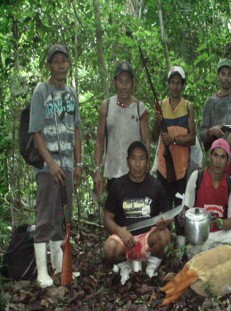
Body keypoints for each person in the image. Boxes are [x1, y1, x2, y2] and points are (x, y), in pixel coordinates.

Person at [29, 44, 82, 288]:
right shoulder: (41, 90)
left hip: (68, 164)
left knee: (62, 217)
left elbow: (77, 130)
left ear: (69, 64)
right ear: (49, 65)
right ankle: (42, 272)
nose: (60, 65)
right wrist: (50, 163)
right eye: (56, 61)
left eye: (64, 61)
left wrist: (78, 163)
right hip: (48, 167)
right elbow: (36, 132)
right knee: (45, 217)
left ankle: (60, 267)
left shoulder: (71, 94)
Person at [103, 141, 171, 277]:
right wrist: (120, 232)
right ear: (127, 161)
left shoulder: (156, 186)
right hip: (125, 238)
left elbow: (166, 215)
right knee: (109, 248)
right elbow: (107, 218)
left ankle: (150, 265)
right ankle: (125, 266)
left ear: (147, 161)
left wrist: (164, 222)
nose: (138, 164)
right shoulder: (118, 185)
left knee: (165, 236)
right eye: (134, 159)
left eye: (141, 159)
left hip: (147, 239)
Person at [182, 138, 231, 258]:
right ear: (210, 157)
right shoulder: (197, 177)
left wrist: (219, 222)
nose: (218, 161)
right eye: (215, 155)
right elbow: (185, 209)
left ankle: (214, 257)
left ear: (228, 162)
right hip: (201, 236)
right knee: (193, 250)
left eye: (223, 157)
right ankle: (221, 257)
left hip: (222, 234)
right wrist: (182, 216)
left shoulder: (230, 183)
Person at [152, 66, 196, 238]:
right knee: (163, 209)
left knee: (181, 209)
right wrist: (156, 123)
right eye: (173, 82)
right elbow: (155, 136)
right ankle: (164, 244)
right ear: (168, 84)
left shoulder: (188, 107)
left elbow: (192, 138)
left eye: (179, 83)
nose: (176, 86)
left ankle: (181, 245)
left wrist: (175, 140)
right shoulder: (160, 105)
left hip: (181, 168)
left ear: (183, 85)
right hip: (164, 167)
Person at [94, 61, 150, 194]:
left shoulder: (139, 108)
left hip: (135, 174)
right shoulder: (106, 106)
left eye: (127, 81)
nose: (124, 86)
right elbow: (100, 141)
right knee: (114, 212)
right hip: (113, 173)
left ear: (133, 84)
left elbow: (146, 141)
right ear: (114, 83)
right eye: (120, 81)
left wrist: (145, 166)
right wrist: (97, 170)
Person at [200, 58, 231, 196]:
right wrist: (211, 131)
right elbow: (201, 133)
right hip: (217, 161)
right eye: (223, 74)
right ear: (218, 76)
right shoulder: (211, 102)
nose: (226, 78)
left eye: (229, 74)